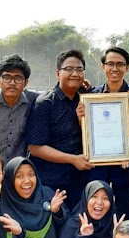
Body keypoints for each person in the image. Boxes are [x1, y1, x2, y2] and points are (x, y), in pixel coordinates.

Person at [27, 50, 93, 206]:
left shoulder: (87, 98)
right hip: (51, 182)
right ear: (58, 74)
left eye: (79, 69)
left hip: (79, 181)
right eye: (69, 69)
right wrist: (72, 159)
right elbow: (35, 148)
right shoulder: (45, 103)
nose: (75, 74)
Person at [88, 47, 129, 217]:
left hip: (125, 166)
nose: (115, 68)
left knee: (124, 212)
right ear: (103, 67)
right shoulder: (91, 97)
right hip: (97, 164)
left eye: (120, 64)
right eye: (110, 64)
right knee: (96, 210)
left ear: (127, 68)